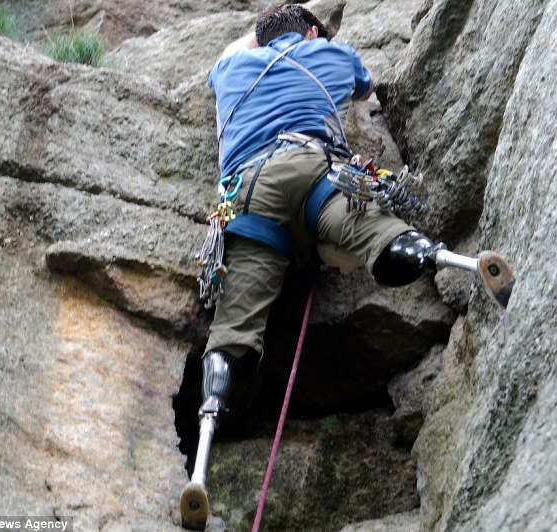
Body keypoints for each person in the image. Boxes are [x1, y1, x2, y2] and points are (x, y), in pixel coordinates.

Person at [180, 4, 514, 530]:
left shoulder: (231, 69)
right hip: (318, 170)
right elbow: (363, 89)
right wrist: (312, 36)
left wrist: (266, 33)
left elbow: (230, 54)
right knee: (373, 229)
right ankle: (458, 260)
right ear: (311, 33)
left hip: (247, 192)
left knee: (234, 331)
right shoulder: (330, 53)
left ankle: (199, 471)